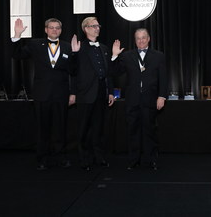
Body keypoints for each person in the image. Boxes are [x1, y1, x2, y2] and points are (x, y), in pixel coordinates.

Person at [12, 18, 75, 170]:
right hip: (42, 94)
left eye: (57, 28)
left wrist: (73, 93)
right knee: (42, 128)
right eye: (51, 28)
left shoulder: (68, 47)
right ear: (46, 29)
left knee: (60, 128)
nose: (54, 30)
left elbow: (73, 72)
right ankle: (42, 158)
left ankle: (60, 157)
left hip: (61, 94)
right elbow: (17, 54)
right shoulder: (35, 45)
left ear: (61, 30)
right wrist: (17, 36)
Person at [111, 28, 167, 170]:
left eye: (143, 37)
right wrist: (114, 56)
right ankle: (133, 160)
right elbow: (115, 72)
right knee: (133, 131)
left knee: (150, 131)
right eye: (138, 38)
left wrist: (162, 96)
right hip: (132, 100)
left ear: (148, 39)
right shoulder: (127, 56)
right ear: (135, 40)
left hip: (151, 100)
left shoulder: (158, 56)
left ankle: (151, 160)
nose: (141, 40)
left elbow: (163, 78)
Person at [70, 17, 115, 171]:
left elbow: (108, 72)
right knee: (83, 128)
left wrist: (110, 92)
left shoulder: (104, 48)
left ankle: (99, 157)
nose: (97, 28)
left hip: (102, 94)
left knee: (98, 128)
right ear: (85, 28)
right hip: (85, 94)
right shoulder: (79, 47)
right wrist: (74, 54)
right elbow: (72, 71)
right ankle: (84, 159)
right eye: (93, 26)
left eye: (98, 25)